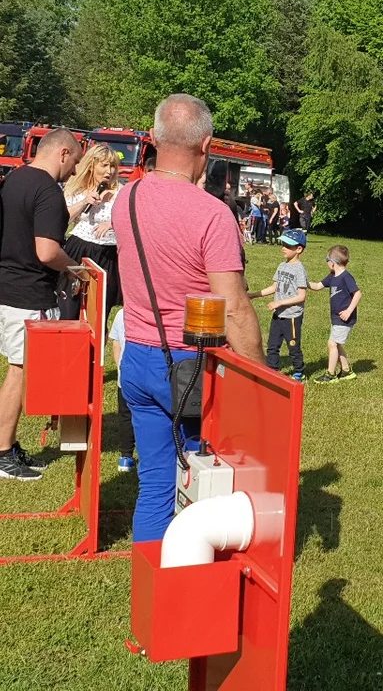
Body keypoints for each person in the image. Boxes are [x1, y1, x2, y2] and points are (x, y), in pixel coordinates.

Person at [112, 93, 264, 542]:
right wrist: (262, 380)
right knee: (205, 487)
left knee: (156, 483)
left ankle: (152, 593)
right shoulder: (213, 215)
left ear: (155, 138)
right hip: (189, 370)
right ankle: (191, 587)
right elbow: (234, 307)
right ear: (208, 145)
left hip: (136, 359)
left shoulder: (128, 197)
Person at [0, 129, 83, 481]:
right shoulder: (48, 189)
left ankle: (7, 443)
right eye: (75, 162)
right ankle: (3, 452)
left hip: (9, 285)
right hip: (27, 292)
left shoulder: (14, 179)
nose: (75, 171)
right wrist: (75, 270)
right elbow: (47, 250)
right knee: (19, 373)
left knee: (18, 370)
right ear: (63, 153)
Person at [56, 144, 123, 324]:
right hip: (80, 249)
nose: (109, 171)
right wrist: (85, 201)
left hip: (108, 254)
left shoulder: (121, 192)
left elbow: (134, 220)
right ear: (92, 165)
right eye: (104, 165)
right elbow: (63, 218)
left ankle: (94, 350)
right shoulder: (76, 189)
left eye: (113, 166)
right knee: (70, 305)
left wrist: (112, 222)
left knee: (98, 313)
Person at [249, 229, 309, 382]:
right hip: (278, 314)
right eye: (283, 244)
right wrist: (254, 295)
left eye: (288, 245)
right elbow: (274, 287)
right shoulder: (282, 266)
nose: (283, 247)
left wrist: (280, 302)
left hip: (292, 317)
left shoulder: (299, 270)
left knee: (293, 347)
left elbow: (301, 296)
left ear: (299, 249)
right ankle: (272, 371)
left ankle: (299, 372)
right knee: (272, 346)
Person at [311, 244, 362, 383]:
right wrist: (303, 281)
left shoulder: (346, 277)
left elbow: (357, 294)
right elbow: (317, 286)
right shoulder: (332, 276)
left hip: (344, 318)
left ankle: (330, 375)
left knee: (332, 344)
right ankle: (346, 371)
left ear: (332, 262)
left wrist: (348, 311)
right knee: (337, 344)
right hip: (336, 318)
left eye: (326, 260)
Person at [109, 308, 136, 472]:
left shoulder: (121, 314)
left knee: (126, 417)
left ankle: (125, 457)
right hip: (149, 374)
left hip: (125, 375)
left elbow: (116, 343)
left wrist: (119, 367)